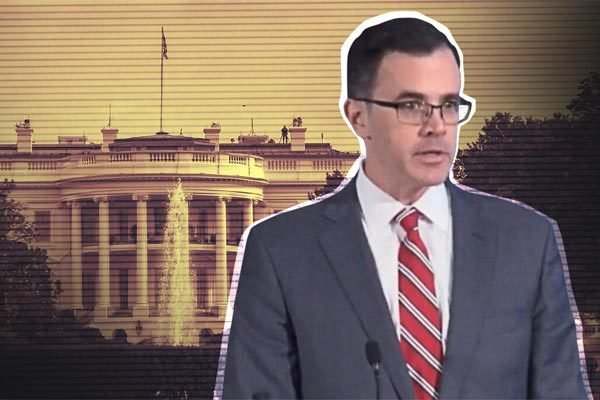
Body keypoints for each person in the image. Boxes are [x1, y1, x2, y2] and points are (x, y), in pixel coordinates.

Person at [218, 11, 587, 399]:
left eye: (449, 105)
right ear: (358, 117)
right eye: (412, 105)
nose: (437, 126)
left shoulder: (527, 242)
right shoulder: (279, 251)